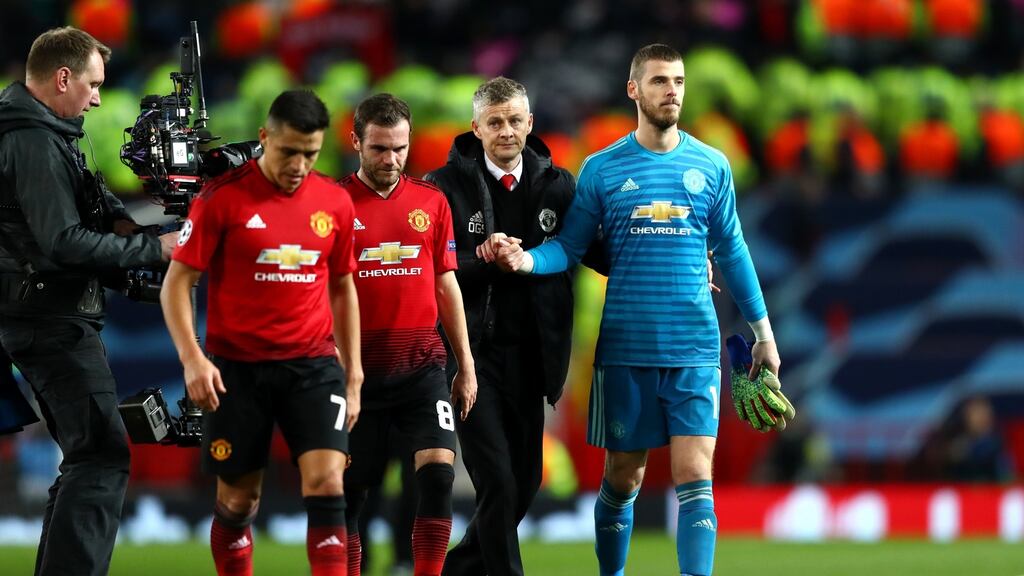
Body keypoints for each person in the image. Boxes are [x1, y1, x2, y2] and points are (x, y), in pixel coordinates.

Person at [495, 44, 787, 576]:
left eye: (677, 81)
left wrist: (763, 333)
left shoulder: (711, 165)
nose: (671, 91)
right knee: (623, 478)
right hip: (626, 350)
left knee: (695, 475)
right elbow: (570, 247)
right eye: (658, 81)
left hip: (696, 348)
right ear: (634, 90)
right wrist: (526, 260)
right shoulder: (602, 170)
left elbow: (734, 251)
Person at [161, 89, 361, 576]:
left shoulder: (334, 202)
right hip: (238, 372)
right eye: (288, 151)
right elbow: (177, 285)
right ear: (264, 137)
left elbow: (343, 287)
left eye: (310, 154)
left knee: (328, 484)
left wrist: (353, 372)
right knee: (238, 501)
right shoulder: (222, 199)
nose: (298, 165)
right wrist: (192, 358)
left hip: (313, 367)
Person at [0, 26, 177, 576]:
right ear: (62, 78)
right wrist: (156, 246)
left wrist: (137, 236)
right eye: (93, 85)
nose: (98, 98)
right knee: (101, 456)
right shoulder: (31, 139)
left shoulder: (47, 132)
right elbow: (62, 242)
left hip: (48, 314)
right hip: (49, 319)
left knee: (88, 457)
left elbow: (86, 224)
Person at [424, 76, 597, 576]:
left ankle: (457, 572)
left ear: (530, 123)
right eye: (494, 122)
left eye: (514, 120)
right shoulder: (442, 188)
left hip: (532, 356)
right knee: (497, 480)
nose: (506, 131)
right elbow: (435, 270)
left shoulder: (559, 186)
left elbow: (596, 251)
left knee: (523, 483)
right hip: (470, 358)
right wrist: (484, 260)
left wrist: (675, 257)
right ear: (475, 127)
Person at [337, 93, 477, 576]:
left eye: (399, 148)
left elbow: (446, 284)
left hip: (423, 368)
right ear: (355, 141)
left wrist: (467, 365)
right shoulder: (331, 205)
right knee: (351, 496)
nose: (391, 159)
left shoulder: (431, 203)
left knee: (438, 476)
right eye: (379, 148)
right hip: (355, 375)